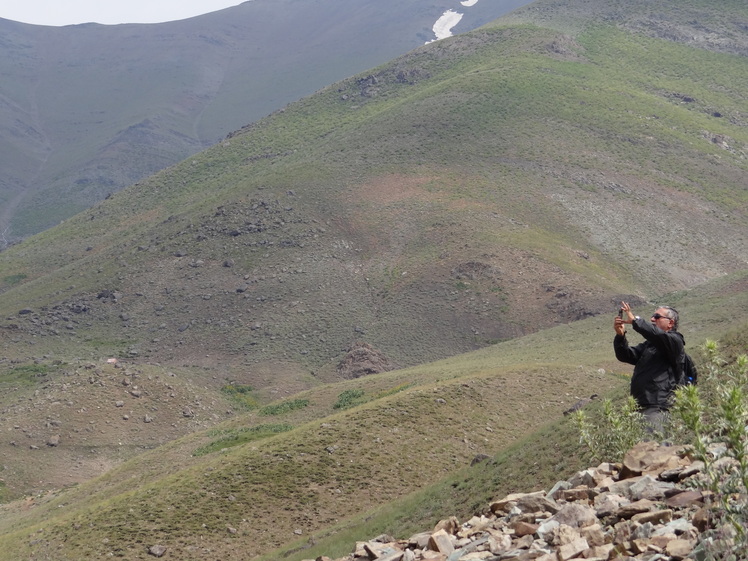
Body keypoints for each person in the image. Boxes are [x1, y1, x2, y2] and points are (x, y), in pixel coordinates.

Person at [613, 301, 685, 433]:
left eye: (657, 317)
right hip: (640, 405)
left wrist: (636, 321)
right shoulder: (649, 345)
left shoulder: (675, 341)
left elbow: (657, 335)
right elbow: (626, 355)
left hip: (658, 406)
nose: (652, 319)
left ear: (670, 323)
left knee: (654, 448)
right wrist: (620, 336)